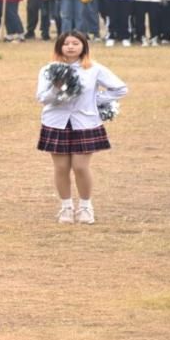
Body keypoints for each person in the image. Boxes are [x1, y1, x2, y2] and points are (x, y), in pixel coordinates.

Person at [35, 31, 127, 225]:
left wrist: (96, 100)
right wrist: (56, 88)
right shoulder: (49, 70)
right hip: (56, 122)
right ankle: (66, 207)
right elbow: (42, 98)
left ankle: (85, 207)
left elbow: (120, 88)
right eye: (66, 43)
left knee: (80, 167)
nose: (70, 47)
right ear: (59, 47)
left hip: (85, 122)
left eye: (75, 43)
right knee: (61, 167)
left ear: (84, 47)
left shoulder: (94, 69)